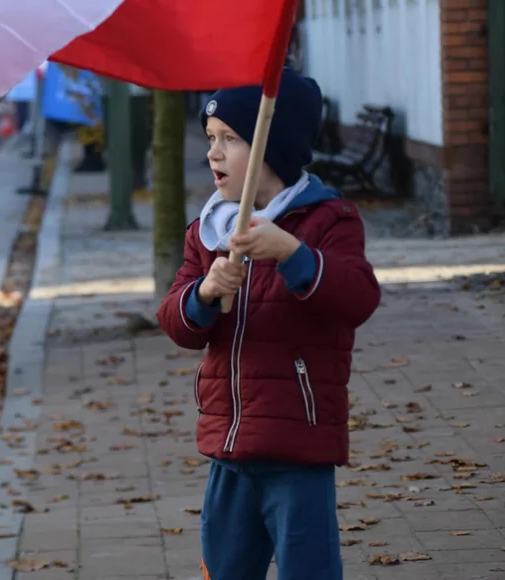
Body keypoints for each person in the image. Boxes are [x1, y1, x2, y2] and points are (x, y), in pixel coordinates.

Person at [156, 68, 381, 580]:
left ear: (271, 148)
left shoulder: (327, 220)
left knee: (309, 568)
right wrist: (205, 293)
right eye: (211, 139)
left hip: (297, 445)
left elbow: (358, 298)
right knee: (227, 567)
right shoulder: (210, 229)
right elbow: (177, 323)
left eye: (230, 140)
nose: (212, 152)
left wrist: (294, 254)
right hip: (227, 444)